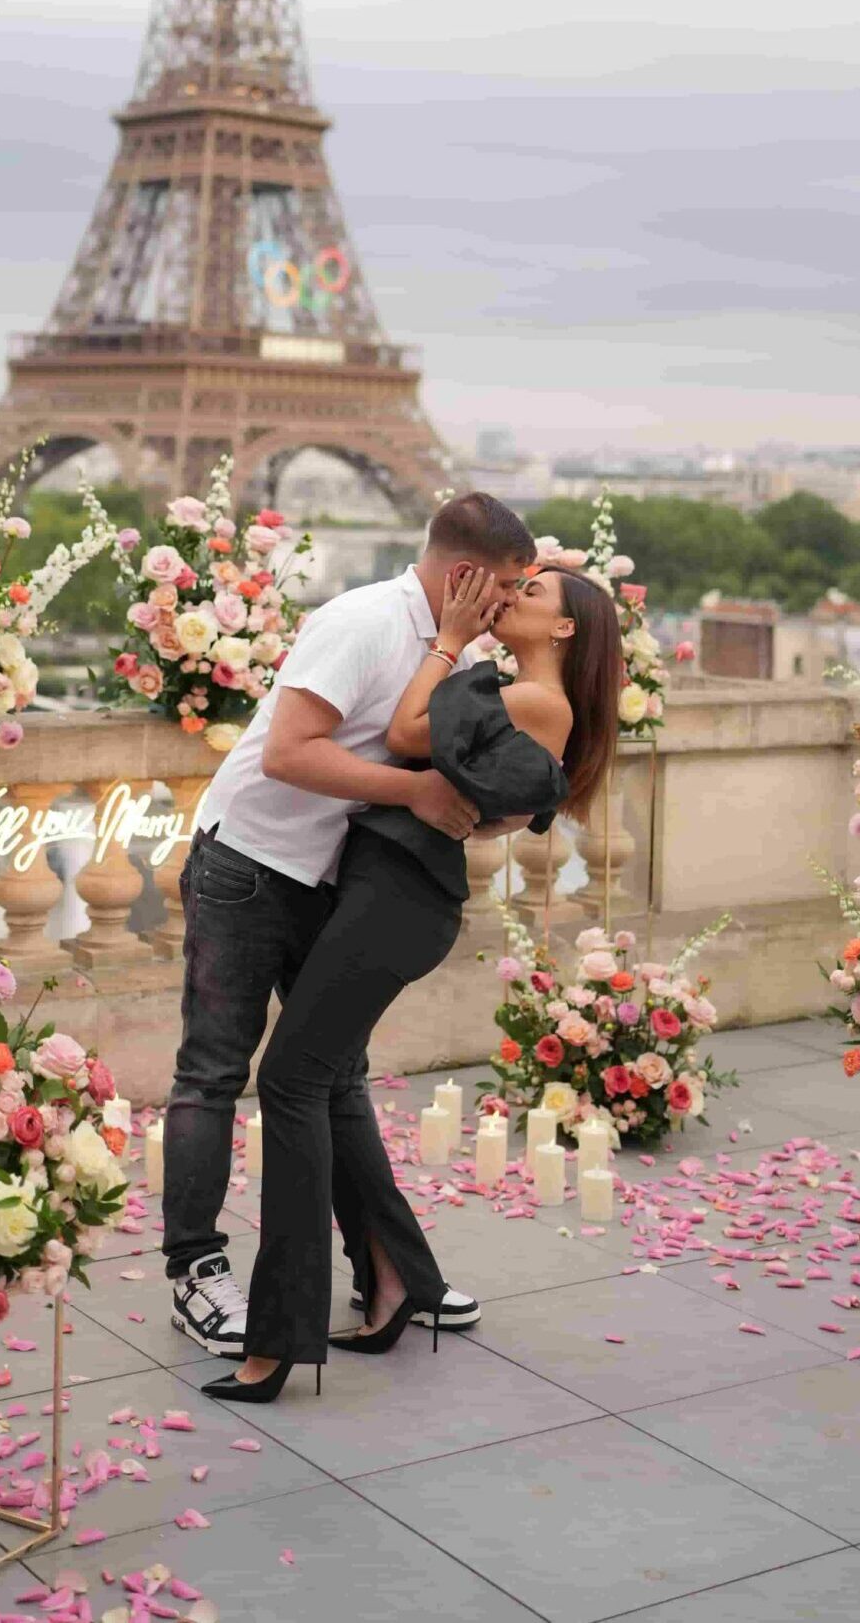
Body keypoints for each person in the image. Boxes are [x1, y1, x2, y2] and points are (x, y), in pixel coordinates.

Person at [204, 558, 623, 1402]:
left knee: (290, 1081)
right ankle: (401, 1284)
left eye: (530, 594)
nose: (512, 597)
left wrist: (446, 642)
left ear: (565, 630)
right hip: (386, 892)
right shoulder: (516, 692)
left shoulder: (535, 698)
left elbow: (403, 733)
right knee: (318, 1085)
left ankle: (278, 1341)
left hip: (393, 899)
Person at [164, 494, 539, 1361]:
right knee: (214, 1072)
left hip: (333, 879)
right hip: (247, 866)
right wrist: (417, 792)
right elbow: (289, 752)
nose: (516, 603)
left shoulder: (455, 651)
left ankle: (391, 1272)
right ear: (465, 576)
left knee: (334, 1078)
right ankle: (194, 1273)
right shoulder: (363, 620)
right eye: (510, 586)